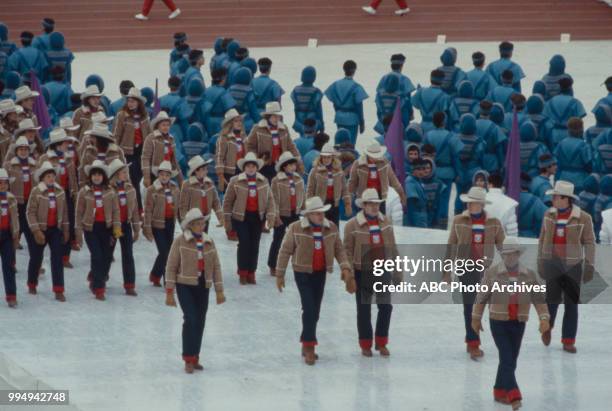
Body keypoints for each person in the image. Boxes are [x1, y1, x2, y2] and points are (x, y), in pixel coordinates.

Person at [472, 237, 550, 410]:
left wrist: (544, 318)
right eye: (505, 254)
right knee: (507, 357)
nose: (509, 258)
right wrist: (476, 318)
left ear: (518, 254)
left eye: (512, 254)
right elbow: (482, 297)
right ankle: (514, 395)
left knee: (511, 360)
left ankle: (499, 390)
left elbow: (538, 299)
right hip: (498, 322)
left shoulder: (528, 274)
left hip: (518, 322)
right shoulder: (493, 273)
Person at [276, 196, 354, 365]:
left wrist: (345, 267)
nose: (320, 216)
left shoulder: (330, 227)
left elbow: (339, 249)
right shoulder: (295, 228)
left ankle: (306, 341)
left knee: (314, 311)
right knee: (310, 308)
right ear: (308, 215)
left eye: (322, 213)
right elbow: (285, 251)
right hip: (302, 272)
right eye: (317, 213)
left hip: (320, 273)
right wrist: (280, 274)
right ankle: (310, 347)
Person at [444, 186, 505, 359]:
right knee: (470, 306)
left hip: (485, 270)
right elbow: (451, 246)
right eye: (469, 203)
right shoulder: (459, 220)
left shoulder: (493, 222)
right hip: (466, 268)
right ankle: (473, 342)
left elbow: (503, 245)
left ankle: (472, 337)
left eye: (474, 203)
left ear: (481, 204)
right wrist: (447, 271)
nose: (470, 206)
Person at [165, 208, 225, 373]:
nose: (201, 226)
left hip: (202, 285)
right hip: (184, 284)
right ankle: (188, 358)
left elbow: (216, 267)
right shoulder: (180, 241)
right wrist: (169, 291)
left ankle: (195, 355)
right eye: (197, 224)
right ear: (189, 226)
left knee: (200, 321)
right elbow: (171, 266)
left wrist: (219, 290)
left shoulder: (209, 241)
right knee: (190, 318)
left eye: (202, 223)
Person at [538, 180, 595, 354]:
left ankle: (568, 340)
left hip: (572, 266)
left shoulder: (583, 218)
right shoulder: (549, 215)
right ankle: (548, 327)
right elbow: (542, 239)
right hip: (553, 264)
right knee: (551, 301)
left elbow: (590, 242)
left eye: (556, 197)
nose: (553, 200)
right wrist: (541, 260)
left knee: (571, 304)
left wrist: (590, 264)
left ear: (566, 199)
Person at [344, 189, 399, 356]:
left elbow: (393, 248)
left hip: (383, 270)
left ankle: (381, 342)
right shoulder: (352, 225)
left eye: (377, 204)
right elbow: (346, 251)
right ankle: (365, 344)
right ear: (364, 205)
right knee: (364, 309)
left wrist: (397, 272)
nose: (375, 207)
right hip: (363, 272)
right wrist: (349, 275)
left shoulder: (386, 222)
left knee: (385, 307)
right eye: (371, 204)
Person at [222, 152, 275, 285]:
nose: (251, 169)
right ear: (244, 168)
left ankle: (252, 272)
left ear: (257, 168)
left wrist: (270, 215)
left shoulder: (263, 180)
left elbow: (269, 199)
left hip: (257, 217)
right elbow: (228, 202)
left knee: (255, 245)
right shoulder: (235, 181)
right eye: (248, 166)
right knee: (244, 243)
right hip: (241, 217)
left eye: (253, 166)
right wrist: (227, 222)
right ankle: (243, 272)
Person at [75, 160, 120, 300]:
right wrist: (78, 232)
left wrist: (117, 230)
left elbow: (116, 211)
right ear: (90, 176)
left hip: (107, 228)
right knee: (97, 256)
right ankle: (99, 288)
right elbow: (78, 212)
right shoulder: (84, 191)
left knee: (107, 257)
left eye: (99, 175)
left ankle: (95, 275)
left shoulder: (111, 192)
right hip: (91, 228)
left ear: (104, 177)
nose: (96, 177)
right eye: (94, 175)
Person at [26, 161, 69, 301]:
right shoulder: (36, 191)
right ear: (42, 178)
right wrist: (36, 230)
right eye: (48, 176)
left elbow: (65, 213)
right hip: (40, 229)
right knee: (36, 258)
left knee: (57, 258)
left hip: (55, 230)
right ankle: (32, 283)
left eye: (52, 176)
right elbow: (30, 212)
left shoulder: (60, 191)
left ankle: (59, 290)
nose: (51, 178)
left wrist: (66, 230)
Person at [37, 128, 78, 268]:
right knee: (51, 225)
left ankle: (65, 256)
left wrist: (75, 192)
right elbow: (38, 177)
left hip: (65, 194)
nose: (68, 144)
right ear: (58, 144)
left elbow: (72, 176)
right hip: (49, 194)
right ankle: (39, 260)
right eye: (65, 142)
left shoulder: (67, 157)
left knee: (68, 223)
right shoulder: (45, 158)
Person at [113, 87, 152, 209]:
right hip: (128, 153)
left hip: (141, 152)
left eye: (133, 101)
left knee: (138, 178)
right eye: (129, 101)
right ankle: (138, 208)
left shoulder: (144, 116)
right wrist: (115, 152)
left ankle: (136, 207)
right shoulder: (122, 115)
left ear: (138, 103)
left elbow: (149, 133)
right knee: (133, 180)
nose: (130, 103)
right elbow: (117, 134)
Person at [143, 160, 180, 287]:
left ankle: (155, 275)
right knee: (165, 253)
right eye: (162, 174)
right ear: (158, 175)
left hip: (170, 223)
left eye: (167, 175)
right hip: (157, 224)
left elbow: (178, 207)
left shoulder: (175, 189)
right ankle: (168, 281)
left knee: (166, 251)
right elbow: (147, 210)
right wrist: (147, 228)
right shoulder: (151, 190)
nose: (164, 177)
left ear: (170, 176)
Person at [268, 152, 304, 276]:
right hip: (282, 214)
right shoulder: (276, 181)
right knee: (278, 239)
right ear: (284, 166)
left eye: (294, 164)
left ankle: (298, 263)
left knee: (297, 239)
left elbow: (301, 196)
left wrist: (303, 209)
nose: (293, 167)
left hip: (295, 213)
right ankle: (273, 265)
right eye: (290, 165)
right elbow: (274, 199)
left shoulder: (298, 179)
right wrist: (276, 216)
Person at [246, 101, 301, 182]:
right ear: (268, 116)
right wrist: (257, 159)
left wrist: (298, 160)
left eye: (278, 116)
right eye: (274, 116)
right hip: (265, 166)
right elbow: (249, 146)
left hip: (282, 164)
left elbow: (290, 146)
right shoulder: (257, 129)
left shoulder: (284, 128)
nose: (277, 119)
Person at [108, 159, 140, 296]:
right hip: (112, 226)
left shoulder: (130, 189)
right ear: (116, 175)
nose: (126, 174)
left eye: (126, 172)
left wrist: (137, 228)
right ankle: (98, 277)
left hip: (125, 225)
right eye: (123, 172)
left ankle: (130, 285)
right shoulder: (108, 190)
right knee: (107, 254)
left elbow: (134, 210)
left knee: (128, 254)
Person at [348, 143, 406, 214]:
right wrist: (348, 199)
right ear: (368, 154)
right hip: (364, 196)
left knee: (380, 219)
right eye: (373, 156)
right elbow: (352, 182)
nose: (375, 158)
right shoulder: (358, 164)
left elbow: (393, 179)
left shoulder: (384, 162)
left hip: (380, 196)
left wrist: (401, 193)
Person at [306, 143, 351, 227]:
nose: (326, 159)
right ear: (321, 157)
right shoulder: (315, 171)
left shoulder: (339, 171)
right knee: (321, 228)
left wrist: (347, 204)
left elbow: (344, 189)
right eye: (324, 157)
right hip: (320, 205)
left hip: (334, 205)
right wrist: (309, 207)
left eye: (328, 157)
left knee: (334, 228)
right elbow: (310, 190)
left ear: (333, 158)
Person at [324, 60, 369, 146]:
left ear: (344, 69)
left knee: (340, 143)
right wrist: (362, 122)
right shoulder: (356, 87)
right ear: (354, 70)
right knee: (350, 144)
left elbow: (333, 102)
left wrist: (339, 111)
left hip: (339, 117)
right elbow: (359, 106)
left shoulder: (335, 84)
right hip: (352, 119)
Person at [179, 155, 222, 232]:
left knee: (203, 242)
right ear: (196, 171)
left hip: (205, 219)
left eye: (206, 169)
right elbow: (183, 206)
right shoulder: (187, 185)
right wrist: (185, 221)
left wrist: (221, 218)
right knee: (192, 242)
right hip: (192, 221)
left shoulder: (210, 183)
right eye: (204, 169)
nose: (206, 171)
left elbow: (216, 202)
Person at [142, 111, 183, 191]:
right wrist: (146, 177)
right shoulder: (151, 138)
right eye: (163, 125)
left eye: (168, 125)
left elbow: (174, 159)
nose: (166, 127)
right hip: (155, 174)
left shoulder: (171, 139)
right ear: (158, 126)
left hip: (168, 173)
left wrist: (180, 178)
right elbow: (145, 158)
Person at [454, 114, 485, 214]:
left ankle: (458, 214)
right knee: (471, 195)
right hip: (473, 171)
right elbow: (480, 156)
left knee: (459, 194)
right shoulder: (479, 140)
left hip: (459, 171)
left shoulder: (455, 139)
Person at [544, 78, 586, 148]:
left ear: (560, 87)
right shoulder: (575, 102)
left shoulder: (550, 102)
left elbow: (546, 120)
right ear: (570, 87)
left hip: (553, 136)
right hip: (571, 137)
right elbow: (579, 123)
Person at [554, 118, 592, 193]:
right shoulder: (584, 145)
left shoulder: (561, 143)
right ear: (581, 130)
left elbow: (557, 163)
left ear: (568, 129)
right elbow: (588, 165)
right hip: (580, 181)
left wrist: (556, 180)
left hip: (562, 179)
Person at [0, 168, 19, 307]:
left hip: (7, 235)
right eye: (0, 183)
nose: (3, 185)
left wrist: (16, 235)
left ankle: (11, 295)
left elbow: (15, 219)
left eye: (5, 183)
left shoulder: (11, 198)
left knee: (9, 266)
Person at [199, 68, 235, 137]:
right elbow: (230, 109)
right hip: (220, 122)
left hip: (207, 122)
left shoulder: (206, 91)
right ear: (223, 78)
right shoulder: (224, 92)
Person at [291, 66, 324, 135]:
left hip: (299, 122)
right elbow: (319, 111)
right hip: (312, 123)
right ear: (314, 77)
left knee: (302, 138)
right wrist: (322, 127)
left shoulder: (295, 90)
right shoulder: (316, 91)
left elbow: (295, 107)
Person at [228, 67, 260, 133]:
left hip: (231, 122)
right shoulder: (249, 91)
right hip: (245, 123)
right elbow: (253, 111)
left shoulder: (230, 89)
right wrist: (259, 123)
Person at [518, 173, 547, 238]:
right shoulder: (536, 201)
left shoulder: (508, 197)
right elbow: (546, 217)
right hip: (529, 238)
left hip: (509, 237)